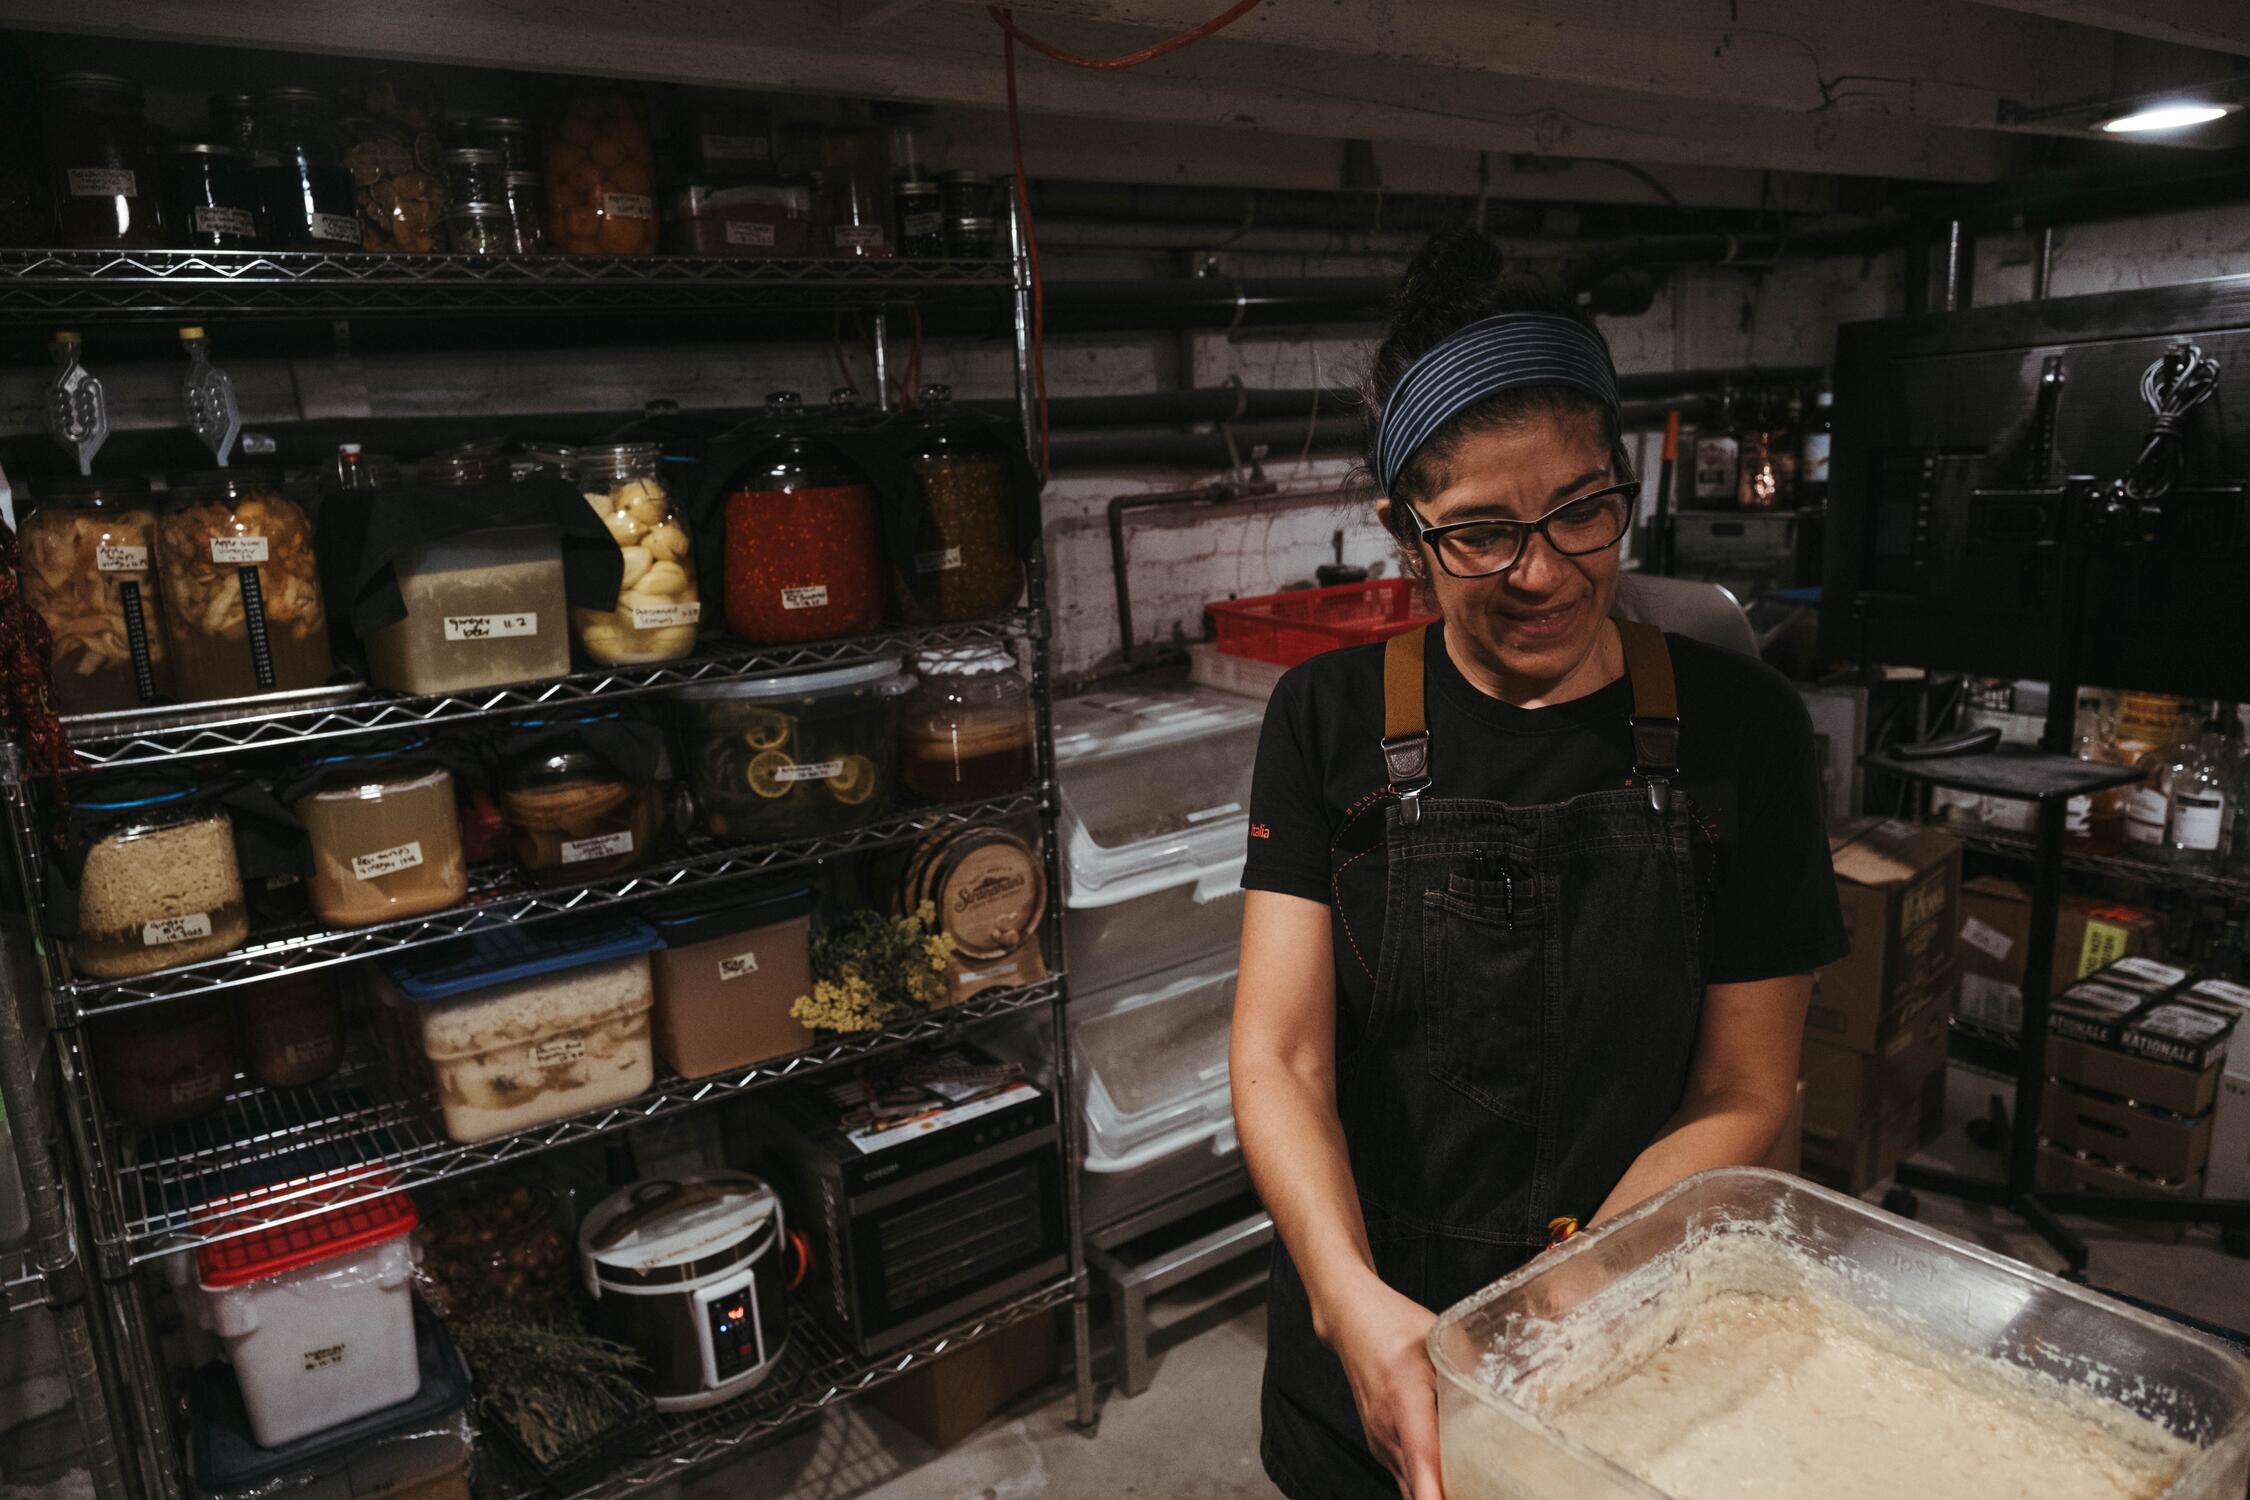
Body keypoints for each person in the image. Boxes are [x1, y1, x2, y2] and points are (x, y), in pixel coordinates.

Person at [1232, 230, 1848, 1500]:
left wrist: (1574, 1294)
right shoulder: (1325, 720)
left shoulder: (1744, 731)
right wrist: (1348, 1304)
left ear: (1624, 481)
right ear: (1406, 536)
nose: (1545, 571)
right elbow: (1281, 1058)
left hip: (1625, 1333)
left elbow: (1746, 1086)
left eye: (1582, 510)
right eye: (1481, 532)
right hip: (1369, 1340)